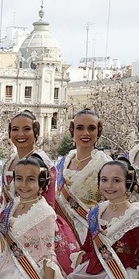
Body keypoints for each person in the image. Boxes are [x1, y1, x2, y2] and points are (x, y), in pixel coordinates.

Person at [0, 109, 78, 274]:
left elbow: (48, 203)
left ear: (36, 132)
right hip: (12, 226)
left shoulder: (43, 163)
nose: (20, 134)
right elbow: (5, 201)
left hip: (36, 229)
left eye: (26, 129)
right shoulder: (9, 162)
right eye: (15, 129)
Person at [51, 109, 111, 269]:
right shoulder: (63, 162)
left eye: (91, 128)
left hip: (89, 235)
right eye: (80, 128)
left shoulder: (106, 164)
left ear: (98, 132)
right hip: (59, 233)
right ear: (72, 131)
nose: (86, 133)